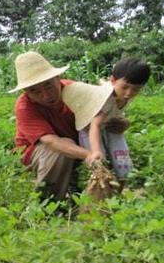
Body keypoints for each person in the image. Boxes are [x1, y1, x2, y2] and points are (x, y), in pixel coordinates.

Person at [10, 51, 99, 201]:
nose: (45, 95)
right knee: (60, 149)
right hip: (36, 153)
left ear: (57, 79)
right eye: (35, 91)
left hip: (76, 149)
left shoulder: (75, 91)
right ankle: (48, 202)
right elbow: (51, 142)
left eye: (48, 86)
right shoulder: (24, 106)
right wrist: (89, 155)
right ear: (26, 92)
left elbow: (101, 113)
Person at [62, 57, 151, 186]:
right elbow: (95, 126)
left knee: (122, 159)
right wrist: (96, 150)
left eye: (136, 89)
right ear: (113, 81)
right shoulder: (106, 100)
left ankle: (123, 186)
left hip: (109, 125)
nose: (129, 93)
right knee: (98, 162)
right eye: (125, 87)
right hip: (89, 129)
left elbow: (105, 84)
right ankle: (100, 190)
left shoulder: (120, 91)